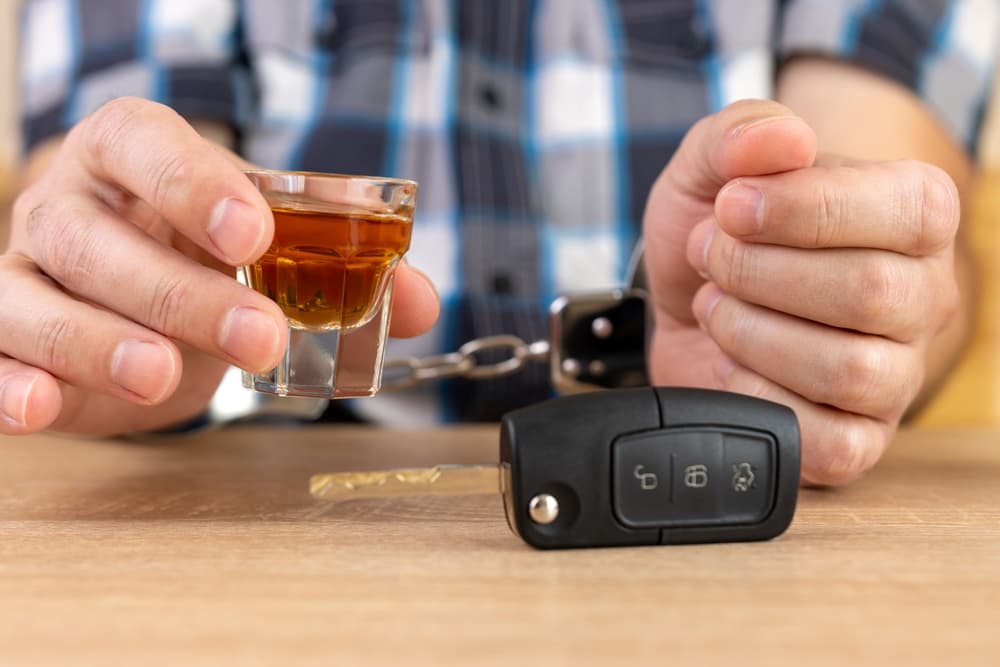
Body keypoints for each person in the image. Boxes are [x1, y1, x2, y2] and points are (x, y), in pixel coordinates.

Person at [5, 0, 998, 486]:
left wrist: (815, 308)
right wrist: (129, 300)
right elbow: (125, 165)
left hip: (694, 476)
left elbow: (894, 220)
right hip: (265, 499)